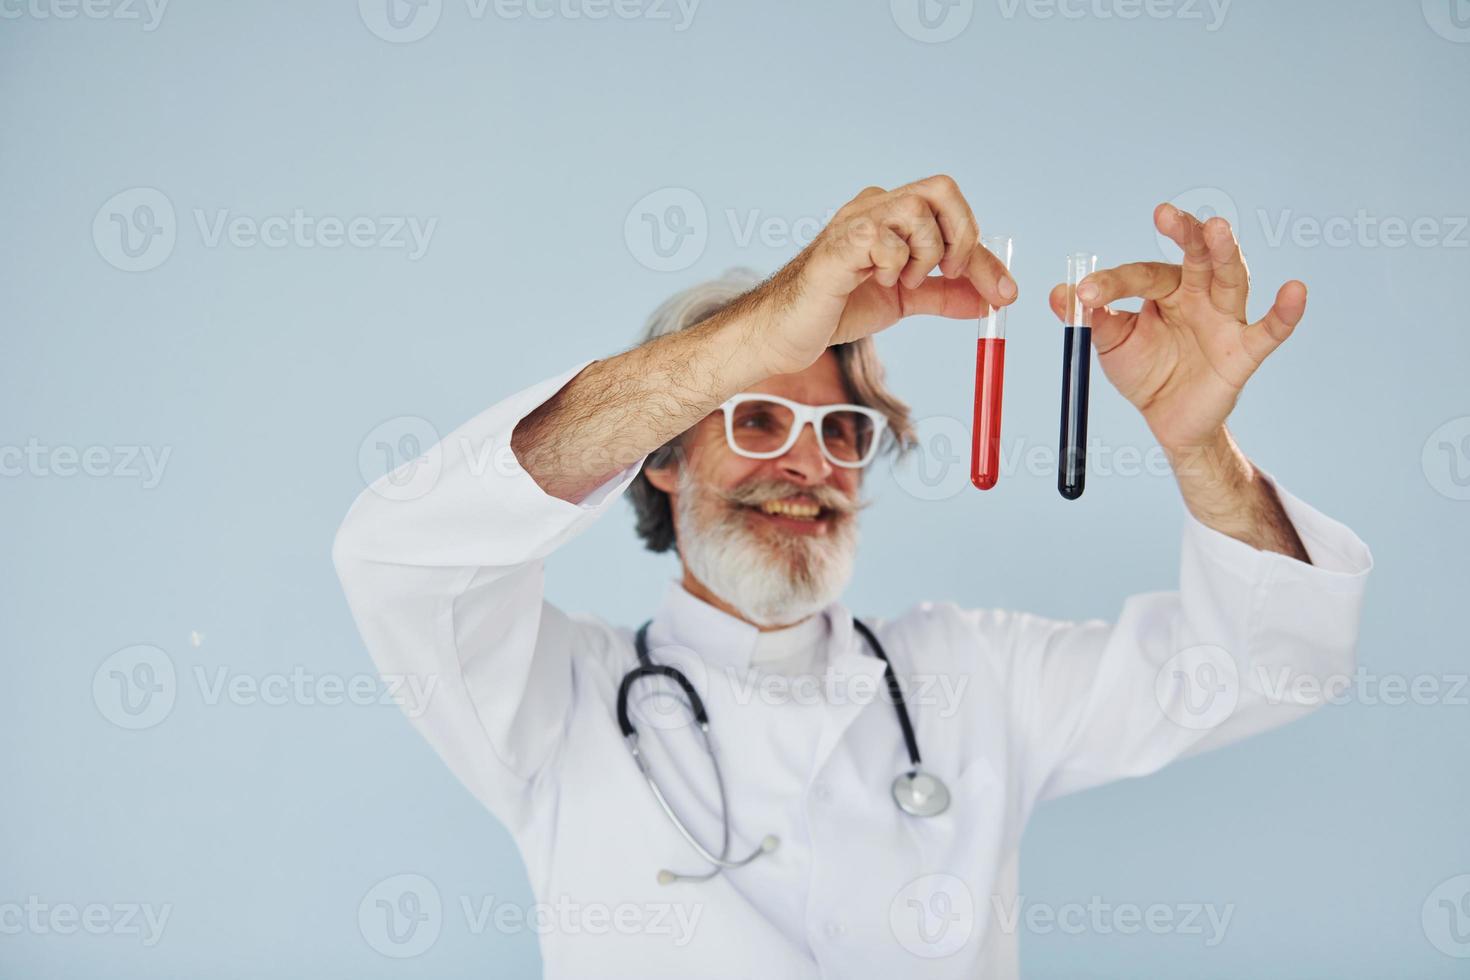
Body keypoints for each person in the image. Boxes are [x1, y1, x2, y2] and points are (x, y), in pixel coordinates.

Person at [333, 175, 1372, 978]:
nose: (806, 461)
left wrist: (1204, 449)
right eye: (754, 416)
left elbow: (1265, 666)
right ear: (662, 454)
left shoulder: (970, 674)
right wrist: (752, 329)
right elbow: (404, 555)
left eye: (839, 427)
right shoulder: (554, 702)